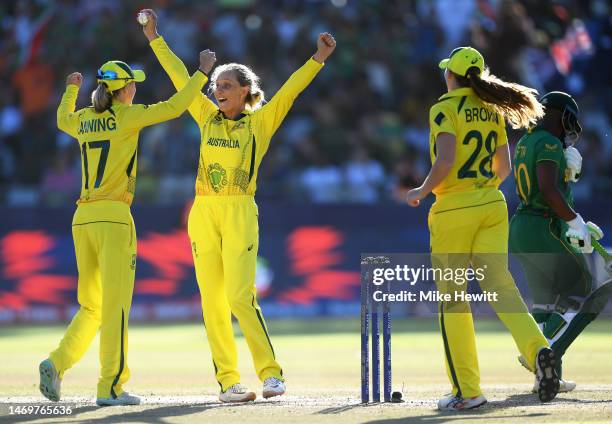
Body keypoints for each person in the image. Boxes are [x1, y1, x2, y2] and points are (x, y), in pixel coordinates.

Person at [139, 9, 336, 403]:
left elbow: (289, 92)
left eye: (226, 85)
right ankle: (228, 382)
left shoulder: (259, 124)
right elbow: (180, 76)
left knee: (239, 297)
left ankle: (271, 375)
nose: (218, 91)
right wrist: (153, 35)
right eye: (215, 85)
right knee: (212, 301)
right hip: (203, 211)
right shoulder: (205, 115)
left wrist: (318, 59)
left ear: (245, 90)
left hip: (239, 211)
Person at [39, 53, 211, 406]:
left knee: (92, 306)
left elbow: (61, 120)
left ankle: (56, 363)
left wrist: (71, 90)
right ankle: (111, 387)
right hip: (114, 217)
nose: (136, 87)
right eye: (133, 83)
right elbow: (178, 106)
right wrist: (201, 73)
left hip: (82, 218)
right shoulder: (129, 116)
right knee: (115, 307)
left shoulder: (85, 119)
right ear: (125, 89)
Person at [405, 46, 559, 411]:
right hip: (492, 203)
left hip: (454, 210)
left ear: (451, 76)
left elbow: (444, 160)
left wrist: (422, 190)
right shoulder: (492, 107)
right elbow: (503, 165)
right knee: (501, 288)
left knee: (454, 302)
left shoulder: (444, 107)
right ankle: (539, 350)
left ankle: (468, 391)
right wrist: (480, 189)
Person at [509, 91, 607, 393]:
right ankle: (544, 351)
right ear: (557, 114)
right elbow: (549, 191)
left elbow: (547, 186)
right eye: (568, 119)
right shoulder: (549, 142)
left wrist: (568, 175)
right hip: (542, 224)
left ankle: (548, 375)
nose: (570, 127)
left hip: (522, 226)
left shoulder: (526, 141)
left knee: (544, 304)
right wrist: (573, 220)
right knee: (583, 288)